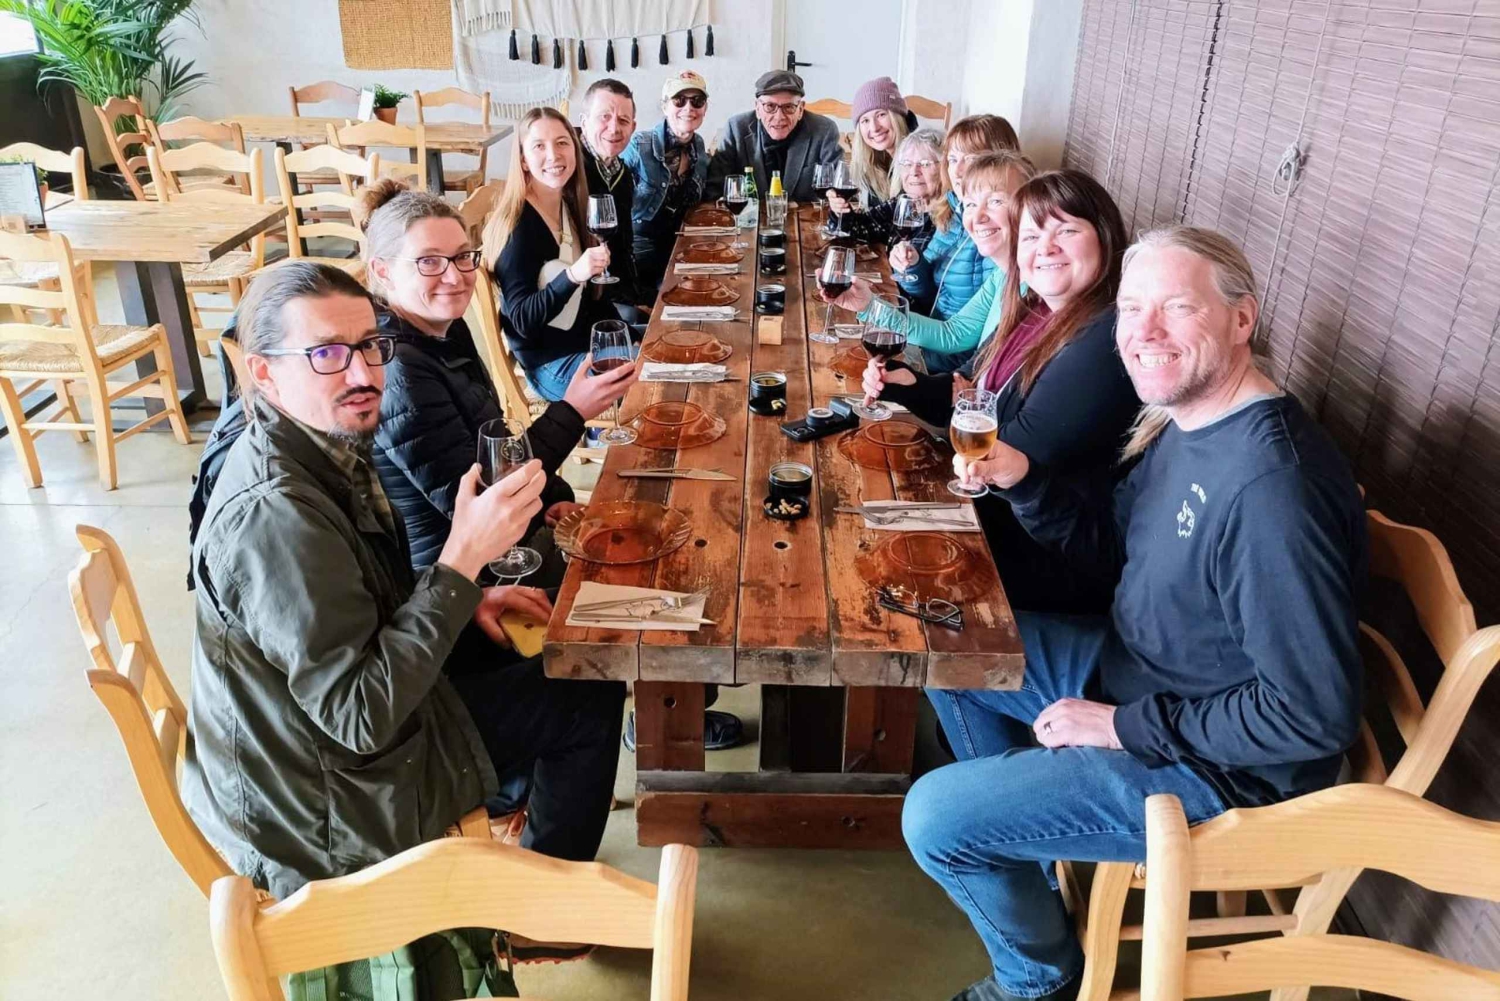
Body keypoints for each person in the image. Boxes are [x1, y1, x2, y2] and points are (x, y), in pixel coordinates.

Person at [900, 226, 1367, 1001]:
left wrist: (1120, 727)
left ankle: (1035, 976)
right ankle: (1023, 838)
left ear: (1242, 318)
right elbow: (1113, 546)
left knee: (934, 818)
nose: (1143, 332)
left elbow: (1310, 715)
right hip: (1139, 673)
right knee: (947, 639)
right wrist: (1023, 481)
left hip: (1221, 767)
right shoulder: (1187, 422)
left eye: (1176, 307)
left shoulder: (1272, 491)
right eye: (1130, 308)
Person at [182, 261, 549, 902]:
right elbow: (361, 718)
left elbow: (356, 604)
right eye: (326, 354)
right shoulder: (274, 515)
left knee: (555, 663)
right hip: (322, 804)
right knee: (578, 698)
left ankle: (527, 866)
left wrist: (463, 595)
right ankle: (544, 920)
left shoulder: (316, 442)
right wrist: (461, 563)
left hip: (322, 752)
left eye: (370, 345)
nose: (362, 375)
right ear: (263, 373)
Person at [354, 180, 635, 869]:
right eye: (429, 262)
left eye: (463, 258)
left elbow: (497, 443)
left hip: (468, 572)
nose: (454, 276)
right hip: (452, 599)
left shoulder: (437, 333)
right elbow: (487, 493)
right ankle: (546, 876)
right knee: (606, 631)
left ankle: (535, 785)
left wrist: (557, 494)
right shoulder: (401, 373)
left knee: (621, 553)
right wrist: (572, 410)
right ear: (381, 270)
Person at [834, 166, 1137, 616]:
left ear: (1106, 238)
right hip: (989, 518)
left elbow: (1005, 447)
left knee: (856, 569)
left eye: (1066, 230)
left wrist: (963, 402)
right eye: (1031, 236)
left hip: (1031, 559)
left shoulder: (1102, 340)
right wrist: (907, 385)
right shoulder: (1035, 307)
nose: (1045, 247)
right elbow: (973, 392)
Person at [483, 106, 616, 401]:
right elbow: (522, 320)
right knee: (653, 379)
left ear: (575, 149)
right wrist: (573, 275)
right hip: (550, 365)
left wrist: (628, 333)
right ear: (523, 160)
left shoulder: (568, 203)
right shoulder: (517, 228)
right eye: (539, 146)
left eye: (562, 142)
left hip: (584, 344)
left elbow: (591, 303)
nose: (554, 155)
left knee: (664, 349)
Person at [900, 114, 1021, 373]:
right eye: (953, 159)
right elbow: (930, 293)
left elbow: (967, 338)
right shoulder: (953, 212)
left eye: (972, 159)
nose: (958, 170)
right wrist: (913, 266)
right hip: (930, 340)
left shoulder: (996, 238)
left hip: (949, 362)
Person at [837, 128, 947, 313]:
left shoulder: (949, 220)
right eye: (906, 164)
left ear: (945, 168)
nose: (914, 172)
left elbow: (934, 293)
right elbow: (861, 228)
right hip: (889, 296)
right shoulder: (904, 203)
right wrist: (840, 209)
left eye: (925, 164)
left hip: (914, 314)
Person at [623, 70, 711, 294]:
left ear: (705, 108)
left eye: (697, 101)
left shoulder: (699, 146)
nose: (689, 108)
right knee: (678, 293)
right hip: (641, 247)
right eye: (679, 100)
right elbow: (611, 196)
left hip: (681, 242)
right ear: (664, 106)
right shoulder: (639, 145)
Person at [707, 69, 842, 203]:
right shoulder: (736, 128)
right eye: (770, 106)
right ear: (757, 108)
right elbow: (714, 189)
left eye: (788, 107)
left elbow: (837, 188)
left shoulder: (824, 130)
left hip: (804, 216)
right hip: (749, 215)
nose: (779, 117)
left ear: (800, 109)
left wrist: (836, 198)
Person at [578, 78, 650, 313]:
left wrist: (636, 297)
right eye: (604, 117)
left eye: (623, 120)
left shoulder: (623, 174)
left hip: (615, 290)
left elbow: (624, 246)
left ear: (633, 127)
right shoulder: (570, 170)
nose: (614, 128)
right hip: (581, 298)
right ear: (584, 122)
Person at [845, 75, 914, 206]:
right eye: (865, 120)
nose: (874, 128)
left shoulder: (915, 159)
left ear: (898, 117)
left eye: (881, 115)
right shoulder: (875, 160)